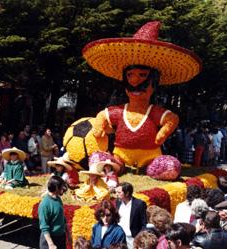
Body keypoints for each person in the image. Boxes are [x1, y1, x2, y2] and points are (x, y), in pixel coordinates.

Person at [86, 21, 201, 175]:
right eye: (130, 75)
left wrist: (163, 133)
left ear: (154, 82)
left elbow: (172, 119)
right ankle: (115, 166)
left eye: (142, 75)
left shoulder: (153, 112)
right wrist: (99, 126)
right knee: (99, 159)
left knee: (170, 167)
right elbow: (103, 115)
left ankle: (153, 168)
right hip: (121, 155)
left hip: (150, 155)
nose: (135, 81)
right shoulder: (120, 111)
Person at [38, 175, 68, 249]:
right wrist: (51, 244)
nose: (63, 188)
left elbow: (61, 218)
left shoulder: (58, 199)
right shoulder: (45, 204)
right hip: (50, 240)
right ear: (57, 188)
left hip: (61, 237)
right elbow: (44, 227)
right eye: (61, 186)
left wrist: (67, 233)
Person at [116, 182, 147, 249]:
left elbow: (144, 224)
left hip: (132, 238)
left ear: (127, 193)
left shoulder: (139, 204)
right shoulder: (118, 202)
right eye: (116, 192)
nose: (116, 195)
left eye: (119, 193)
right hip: (119, 238)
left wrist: (138, 238)